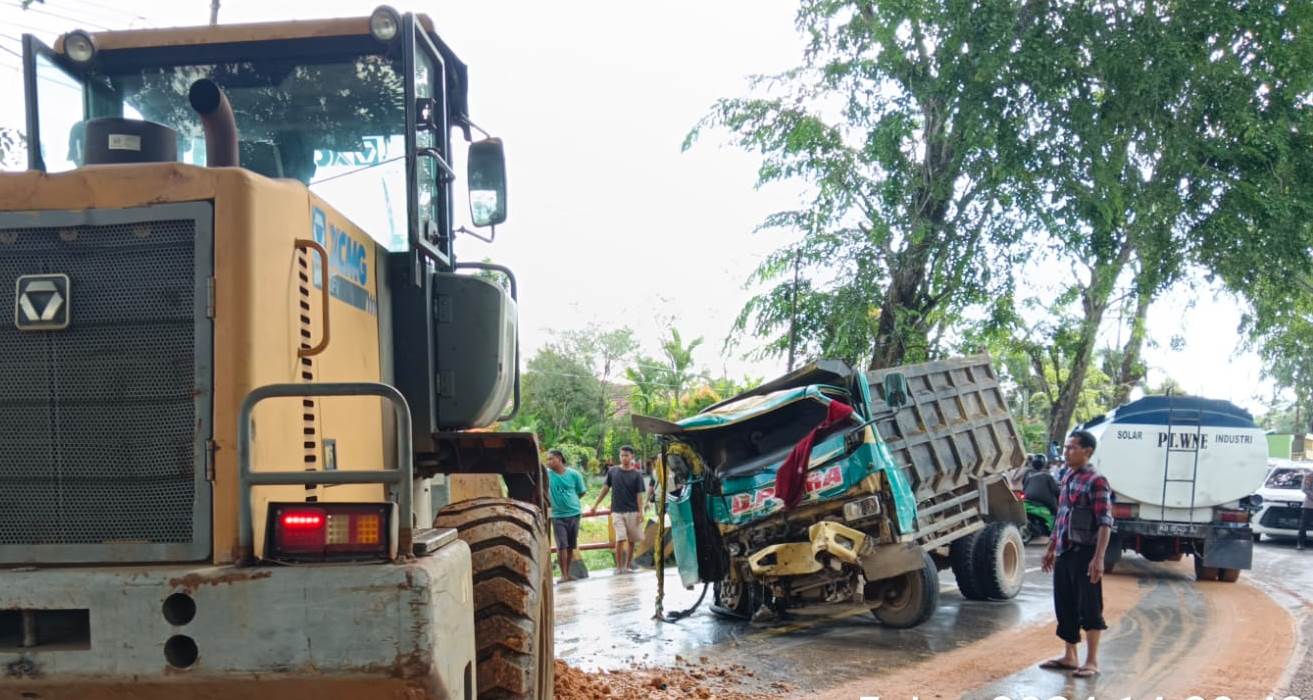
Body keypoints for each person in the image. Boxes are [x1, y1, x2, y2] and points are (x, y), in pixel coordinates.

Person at [1039, 430, 1114, 679]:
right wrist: (1051, 547)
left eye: (1072, 448)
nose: (1067, 451)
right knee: (1065, 604)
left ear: (1087, 451)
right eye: (1067, 447)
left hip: (1085, 553)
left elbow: (1105, 522)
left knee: (1089, 606)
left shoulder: (1097, 481)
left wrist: (1099, 558)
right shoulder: (1067, 475)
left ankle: (1092, 661)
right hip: (1064, 551)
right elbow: (1061, 515)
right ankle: (1070, 656)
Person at [588, 445, 646, 574]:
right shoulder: (613, 471)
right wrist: (595, 504)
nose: (623, 458)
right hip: (617, 511)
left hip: (633, 511)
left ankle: (628, 566)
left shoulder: (637, 475)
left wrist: (641, 512)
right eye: (621, 455)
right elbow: (605, 489)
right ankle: (619, 567)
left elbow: (639, 495)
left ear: (632, 457)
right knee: (620, 538)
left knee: (632, 540)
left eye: (626, 455)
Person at [545, 449, 588, 583]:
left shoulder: (574, 474)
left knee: (570, 545)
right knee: (561, 545)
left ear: (559, 459)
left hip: (574, 514)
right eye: (548, 459)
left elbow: (581, 492)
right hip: (557, 515)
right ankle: (563, 574)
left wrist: (571, 502)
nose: (549, 462)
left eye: (551, 459)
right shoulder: (547, 475)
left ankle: (567, 573)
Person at [1299, 469, 1313, 551]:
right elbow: (1305, 489)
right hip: (1309, 505)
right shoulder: (1309, 476)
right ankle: (1301, 543)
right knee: (1303, 525)